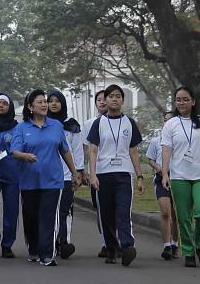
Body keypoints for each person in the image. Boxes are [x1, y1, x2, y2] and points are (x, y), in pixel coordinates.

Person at [11, 89, 80, 266]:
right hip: (29, 181)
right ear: (30, 106)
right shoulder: (22, 127)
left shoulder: (56, 126)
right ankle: (34, 249)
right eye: (40, 102)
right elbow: (14, 151)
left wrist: (74, 172)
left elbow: (65, 150)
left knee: (48, 217)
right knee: (31, 218)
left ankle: (47, 254)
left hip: (53, 180)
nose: (44, 105)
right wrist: (24, 156)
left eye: (45, 102)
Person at [161, 86, 200, 269]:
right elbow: (166, 150)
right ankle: (188, 251)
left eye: (185, 99)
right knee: (184, 217)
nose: (182, 103)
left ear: (193, 102)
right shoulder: (171, 124)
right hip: (179, 176)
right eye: (178, 99)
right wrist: (164, 173)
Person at [88, 84, 145, 267]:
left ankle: (127, 246)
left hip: (123, 174)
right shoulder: (99, 123)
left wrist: (140, 176)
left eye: (118, 96)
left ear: (122, 100)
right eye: (110, 96)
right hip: (103, 174)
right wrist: (93, 174)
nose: (114, 99)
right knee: (106, 214)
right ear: (105, 100)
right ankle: (111, 248)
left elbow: (134, 151)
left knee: (123, 211)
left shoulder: (129, 122)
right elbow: (94, 151)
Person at [47, 89, 84, 259]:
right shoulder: (42, 123)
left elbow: (77, 150)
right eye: (50, 100)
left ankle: (64, 242)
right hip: (47, 176)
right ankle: (51, 241)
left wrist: (79, 173)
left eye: (57, 100)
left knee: (64, 210)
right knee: (49, 211)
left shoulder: (71, 125)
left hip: (67, 175)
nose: (54, 104)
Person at [0, 94, 20, 259]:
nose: (0, 106)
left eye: (4, 103)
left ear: (10, 107)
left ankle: (7, 245)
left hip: (12, 173)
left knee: (11, 211)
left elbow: (18, 147)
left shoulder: (17, 128)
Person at [146, 111, 179, 259]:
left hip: (179, 179)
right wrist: (158, 167)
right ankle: (166, 246)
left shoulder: (181, 140)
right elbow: (150, 159)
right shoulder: (156, 141)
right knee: (166, 212)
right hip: (161, 179)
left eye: (171, 120)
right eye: (165, 120)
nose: (168, 123)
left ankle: (175, 243)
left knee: (176, 214)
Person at [82, 89, 108, 256]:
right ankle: (106, 242)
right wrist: (85, 170)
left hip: (115, 171)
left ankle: (119, 240)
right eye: (99, 99)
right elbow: (85, 149)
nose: (103, 102)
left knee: (117, 209)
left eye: (106, 99)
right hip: (96, 172)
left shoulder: (123, 122)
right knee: (100, 208)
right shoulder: (89, 124)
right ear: (96, 103)